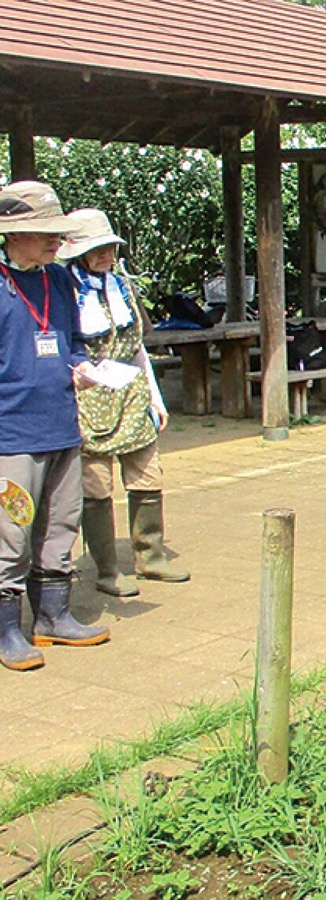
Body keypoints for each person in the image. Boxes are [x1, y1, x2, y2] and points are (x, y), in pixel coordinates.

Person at [0, 181, 110, 671]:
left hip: (63, 424)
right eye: (45, 233)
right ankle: (7, 631)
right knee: (10, 531)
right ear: (13, 235)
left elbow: (73, 345)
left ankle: (53, 616)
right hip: (12, 435)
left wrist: (82, 368)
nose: (55, 242)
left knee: (60, 524)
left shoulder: (61, 281)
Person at [59, 208, 188, 597]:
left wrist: (156, 397)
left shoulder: (122, 287)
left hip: (130, 391)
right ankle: (107, 568)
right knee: (96, 485)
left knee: (148, 475)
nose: (104, 256)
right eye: (96, 249)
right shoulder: (66, 290)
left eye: (109, 248)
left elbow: (138, 350)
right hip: (89, 393)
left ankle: (150, 555)